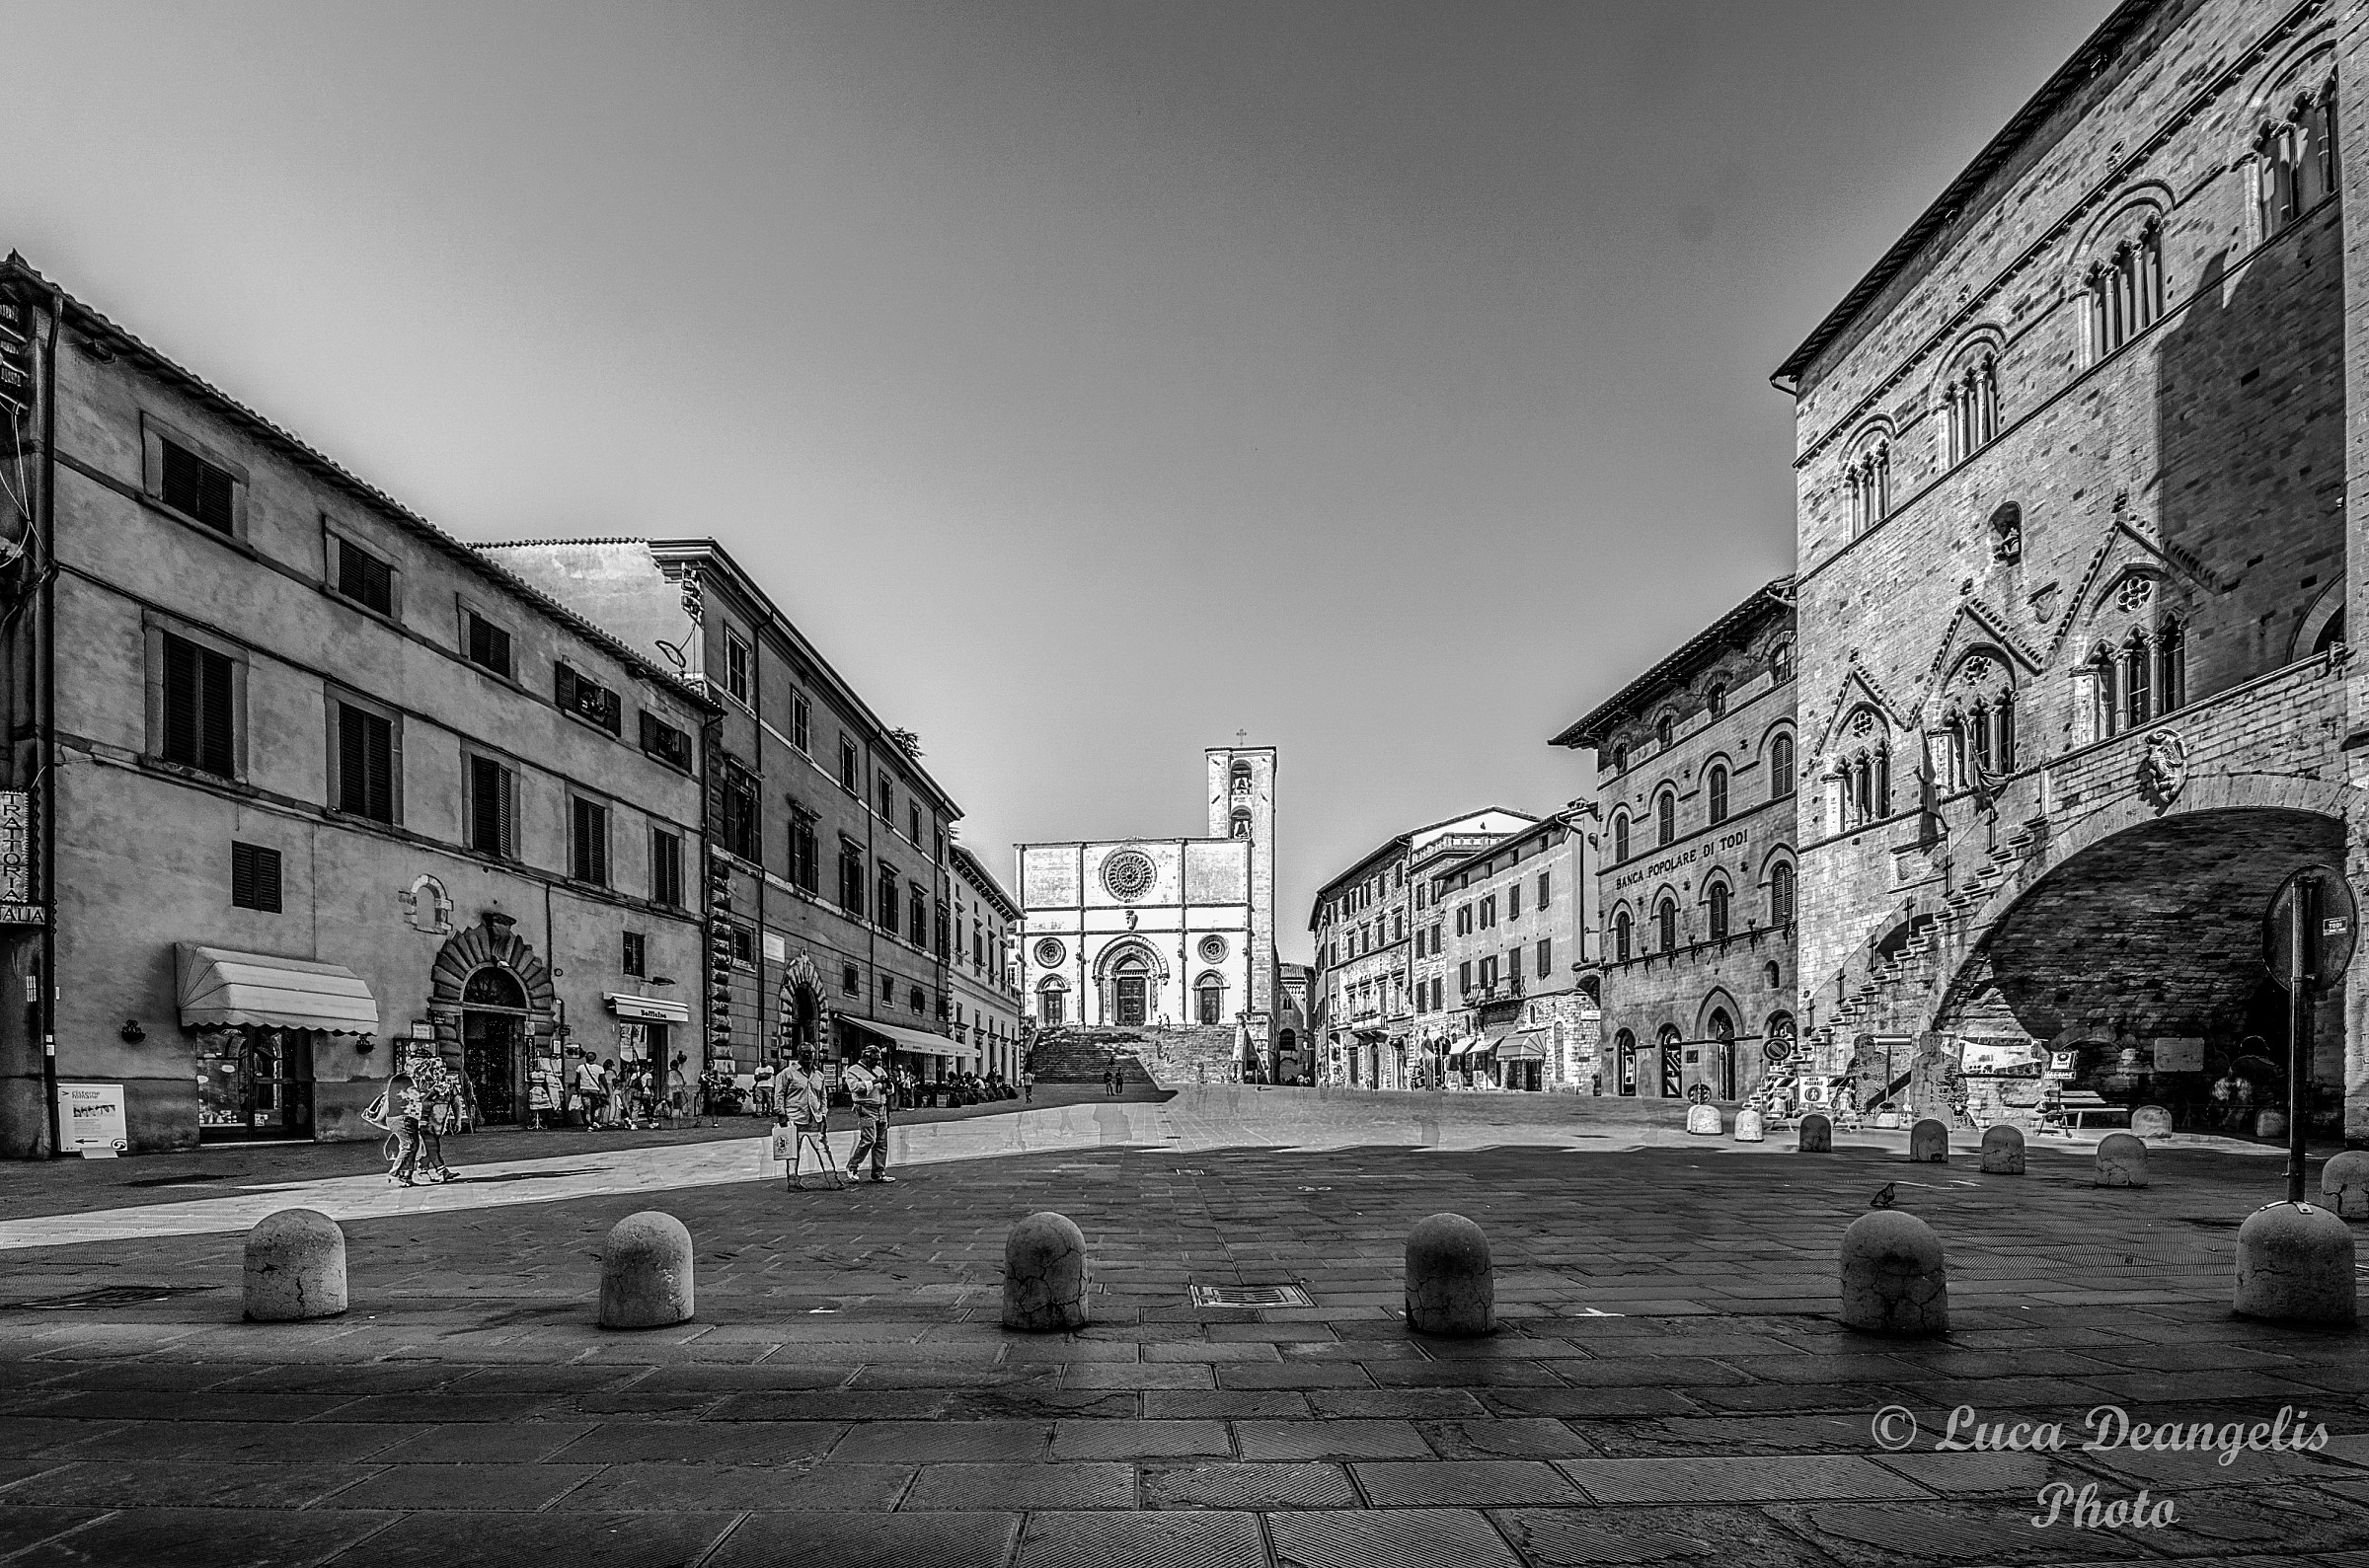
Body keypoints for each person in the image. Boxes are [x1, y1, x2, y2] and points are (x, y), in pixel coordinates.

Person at [407, 1042, 460, 1182]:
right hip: (424, 1120)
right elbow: (419, 1100)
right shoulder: (424, 1083)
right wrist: (434, 1090)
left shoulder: (449, 1083)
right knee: (432, 1146)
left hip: (439, 1122)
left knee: (429, 1147)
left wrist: (458, 1120)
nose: (439, 1070)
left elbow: (456, 1102)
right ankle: (441, 1170)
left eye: (442, 1067)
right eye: (436, 1068)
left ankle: (422, 1169)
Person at [842, 1044, 894, 1182]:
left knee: (881, 1142)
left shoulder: (880, 1070)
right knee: (868, 1139)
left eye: (878, 1059)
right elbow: (854, 1087)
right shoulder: (853, 1070)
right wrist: (874, 1081)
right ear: (865, 1057)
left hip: (881, 1108)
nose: (876, 1062)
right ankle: (852, 1166)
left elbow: (888, 1091)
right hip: (865, 1108)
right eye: (873, 1059)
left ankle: (879, 1171)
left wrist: (889, 1085)